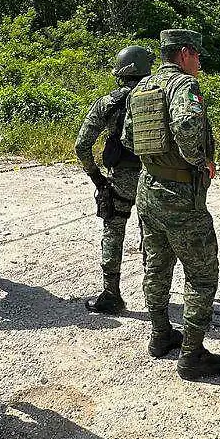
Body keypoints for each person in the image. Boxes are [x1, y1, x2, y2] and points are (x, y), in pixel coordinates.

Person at [121, 29, 220, 381]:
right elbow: (186, 124)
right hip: (180, 193)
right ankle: (193, 355)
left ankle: (160, 336)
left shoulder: (142, 87)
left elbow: (127, 137)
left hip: (147, 187)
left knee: (156, 264)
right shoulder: (183, 86)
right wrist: (199, 161)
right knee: (201, 274)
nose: (198, 62)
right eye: (197, 55)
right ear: (184, 54)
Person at [74, 45, 153, 314]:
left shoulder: (108, 103)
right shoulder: (159, 99)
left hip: (120, 177)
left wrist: (97, 178)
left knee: (113, 231)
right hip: (154, 177)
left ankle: (111, 293)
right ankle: (155, 297)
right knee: (153, 237)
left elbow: (82, 145)